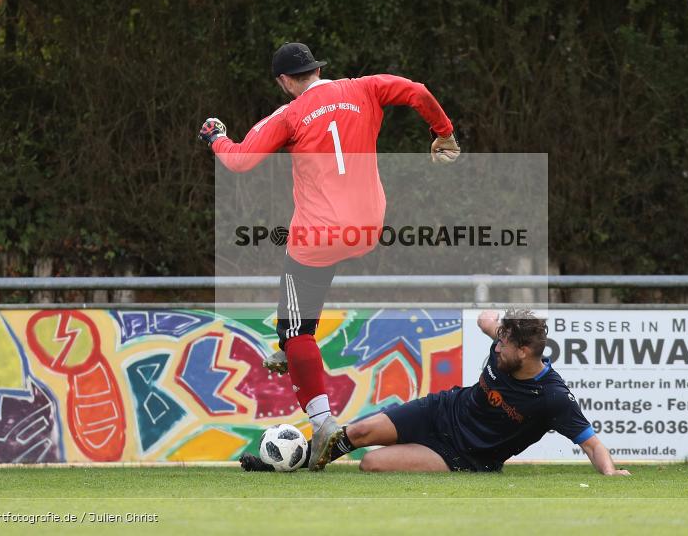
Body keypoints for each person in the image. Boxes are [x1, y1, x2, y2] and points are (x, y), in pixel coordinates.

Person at [199, 42, 458, 471]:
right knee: (307, 281)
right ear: (318, 69)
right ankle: (291, 342)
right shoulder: (366, 88)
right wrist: (443, 131)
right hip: (368, 227)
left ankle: (320, 420)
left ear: (284, 80)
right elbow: (416, 91)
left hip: (319, 233)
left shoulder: (290, 113)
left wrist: (217, 137)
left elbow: (241, 161)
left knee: (296, 314)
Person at [241, 309, 630, 475]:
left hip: (464, 454)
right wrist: (499, 322)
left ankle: (297, 462)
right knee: (354, 434)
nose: (497, 348)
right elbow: (486, 320)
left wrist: (610, 473)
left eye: (505, 345)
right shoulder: (507, 340)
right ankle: (294, 462)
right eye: (500, 339)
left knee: (371, 463)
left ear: (525, 353)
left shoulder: (552, 397)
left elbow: (593, 445)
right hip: (441, 410)